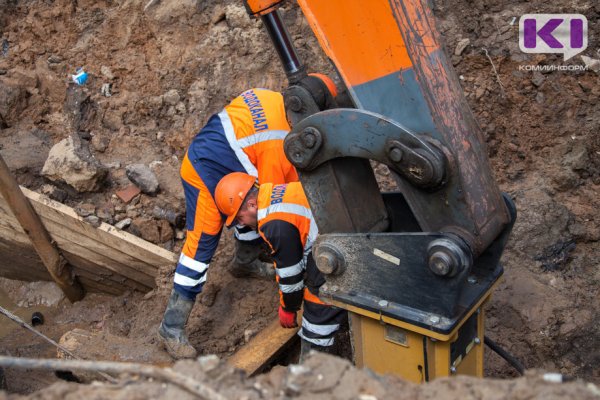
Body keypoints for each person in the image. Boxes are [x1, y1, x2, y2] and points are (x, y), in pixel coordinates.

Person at [158, 89, 298, 359]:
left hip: (224, 159)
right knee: (202, 248)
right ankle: (171, 327)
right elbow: (271, 207)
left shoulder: (272, 98)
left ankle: (244, 263)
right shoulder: (276, 147)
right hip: (204, 171)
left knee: (247, 203)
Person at [214, 172, 346, 358]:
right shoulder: (277, 192)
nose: (241, 224)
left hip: (340, 250)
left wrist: (288, 309)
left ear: (252, 205)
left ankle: (314, 369)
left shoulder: (274, 223)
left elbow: (290, 276)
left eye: (239, 218)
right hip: (342, 230)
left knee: (317, 310)